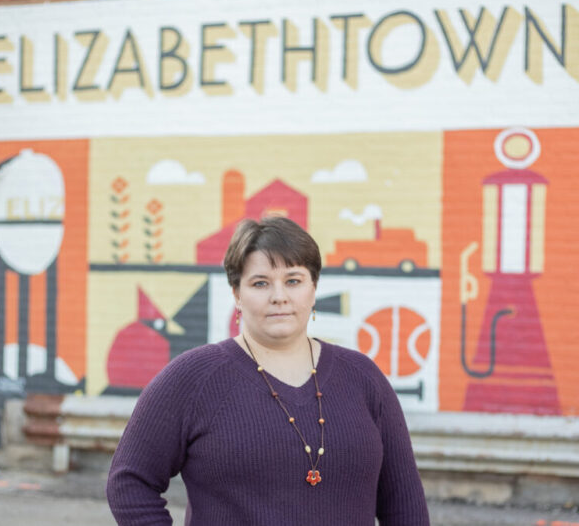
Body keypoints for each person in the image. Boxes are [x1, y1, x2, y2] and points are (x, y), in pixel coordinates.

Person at [107, 216, 430, 525]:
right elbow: (130, 482)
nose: (279, 297)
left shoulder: (363, 378)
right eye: (260, 283)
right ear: (237, 294)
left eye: (293, 281)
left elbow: (404, 504)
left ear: (313, 288)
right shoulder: (192, 379)